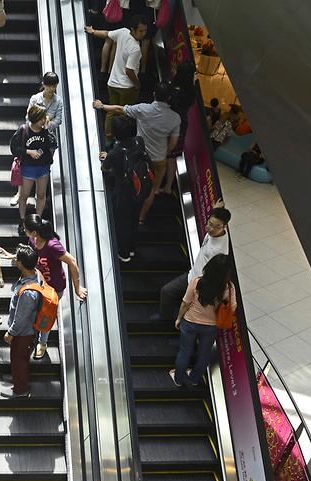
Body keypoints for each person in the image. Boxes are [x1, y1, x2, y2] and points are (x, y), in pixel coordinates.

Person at [92, 82, 181, 223]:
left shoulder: (143, 109)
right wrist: (165, 152)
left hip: (139, 155)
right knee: (152, 189)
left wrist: (102, 106)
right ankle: (141, 217)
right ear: (169, 97)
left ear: (153, 94)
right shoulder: (175, 118)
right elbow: (173, 143)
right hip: (159, 159)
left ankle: (127, 210)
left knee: (132, 180)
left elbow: (119, 109)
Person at [23, 215, 87, 358]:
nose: (24, 231)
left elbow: (72, 262)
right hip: (38, 284)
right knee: (34, 311)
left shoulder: (52, 245)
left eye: (26, 229)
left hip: (54, 288)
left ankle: (42, 343)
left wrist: (77, 288)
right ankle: (32, 336)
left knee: (46, 314)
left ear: (34, 232)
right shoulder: (32, 241)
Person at [170, 254, 236, 387]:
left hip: (190, 322)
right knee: (204, 354)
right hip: (211, 326)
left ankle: (178, 379)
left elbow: (185, 303)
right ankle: (194, 379)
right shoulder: (228, 287)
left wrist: (178, 318)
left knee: (184, 351)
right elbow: (233, 307)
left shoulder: (197, 282)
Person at [157, 207, 231, 321]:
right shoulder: (221, 233)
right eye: (210, 224)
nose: (211, 229)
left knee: (172, 295)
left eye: (217, 227)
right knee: (166, 292)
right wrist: (215, 207)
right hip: (191, 275)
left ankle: (173, 321)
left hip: (199, 284)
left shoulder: (219, 252)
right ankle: (165, 318)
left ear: (224, 227)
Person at [85, 17, 146, 140]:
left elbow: (107, 34)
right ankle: (122, 138)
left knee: (111, 112)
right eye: (141, 31)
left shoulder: (123, 32)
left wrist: (93, 31)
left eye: (145, 31)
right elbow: (129, 70)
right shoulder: (136, 48)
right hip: (127, 87)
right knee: (125, 113)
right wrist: (137, 85)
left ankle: (108, 138)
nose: (144, 33)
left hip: (112, 83)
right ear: (133, 30)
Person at [10, 105, 57, 233]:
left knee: (41, 195)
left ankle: (38, 220)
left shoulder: (45, 131)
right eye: (42, 118)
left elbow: (53, 144)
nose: (45, 120)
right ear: (35, 118)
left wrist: (47, 130)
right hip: (28, 167)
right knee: (24, 195)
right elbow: (14, 148)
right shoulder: (23, 130)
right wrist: (28, 152)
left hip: (43, 167)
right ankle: (22, 220)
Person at [5, 244, 42, 399]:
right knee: (20, 358)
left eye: (17, 259)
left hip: (22, 333)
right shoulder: (35, 273)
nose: (15, 261)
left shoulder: (28, 293)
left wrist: (10, 333)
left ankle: (20, 389)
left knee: (18, 360)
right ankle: (17, 378)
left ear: (21, 264)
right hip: (28, 330)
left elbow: (21, 318)